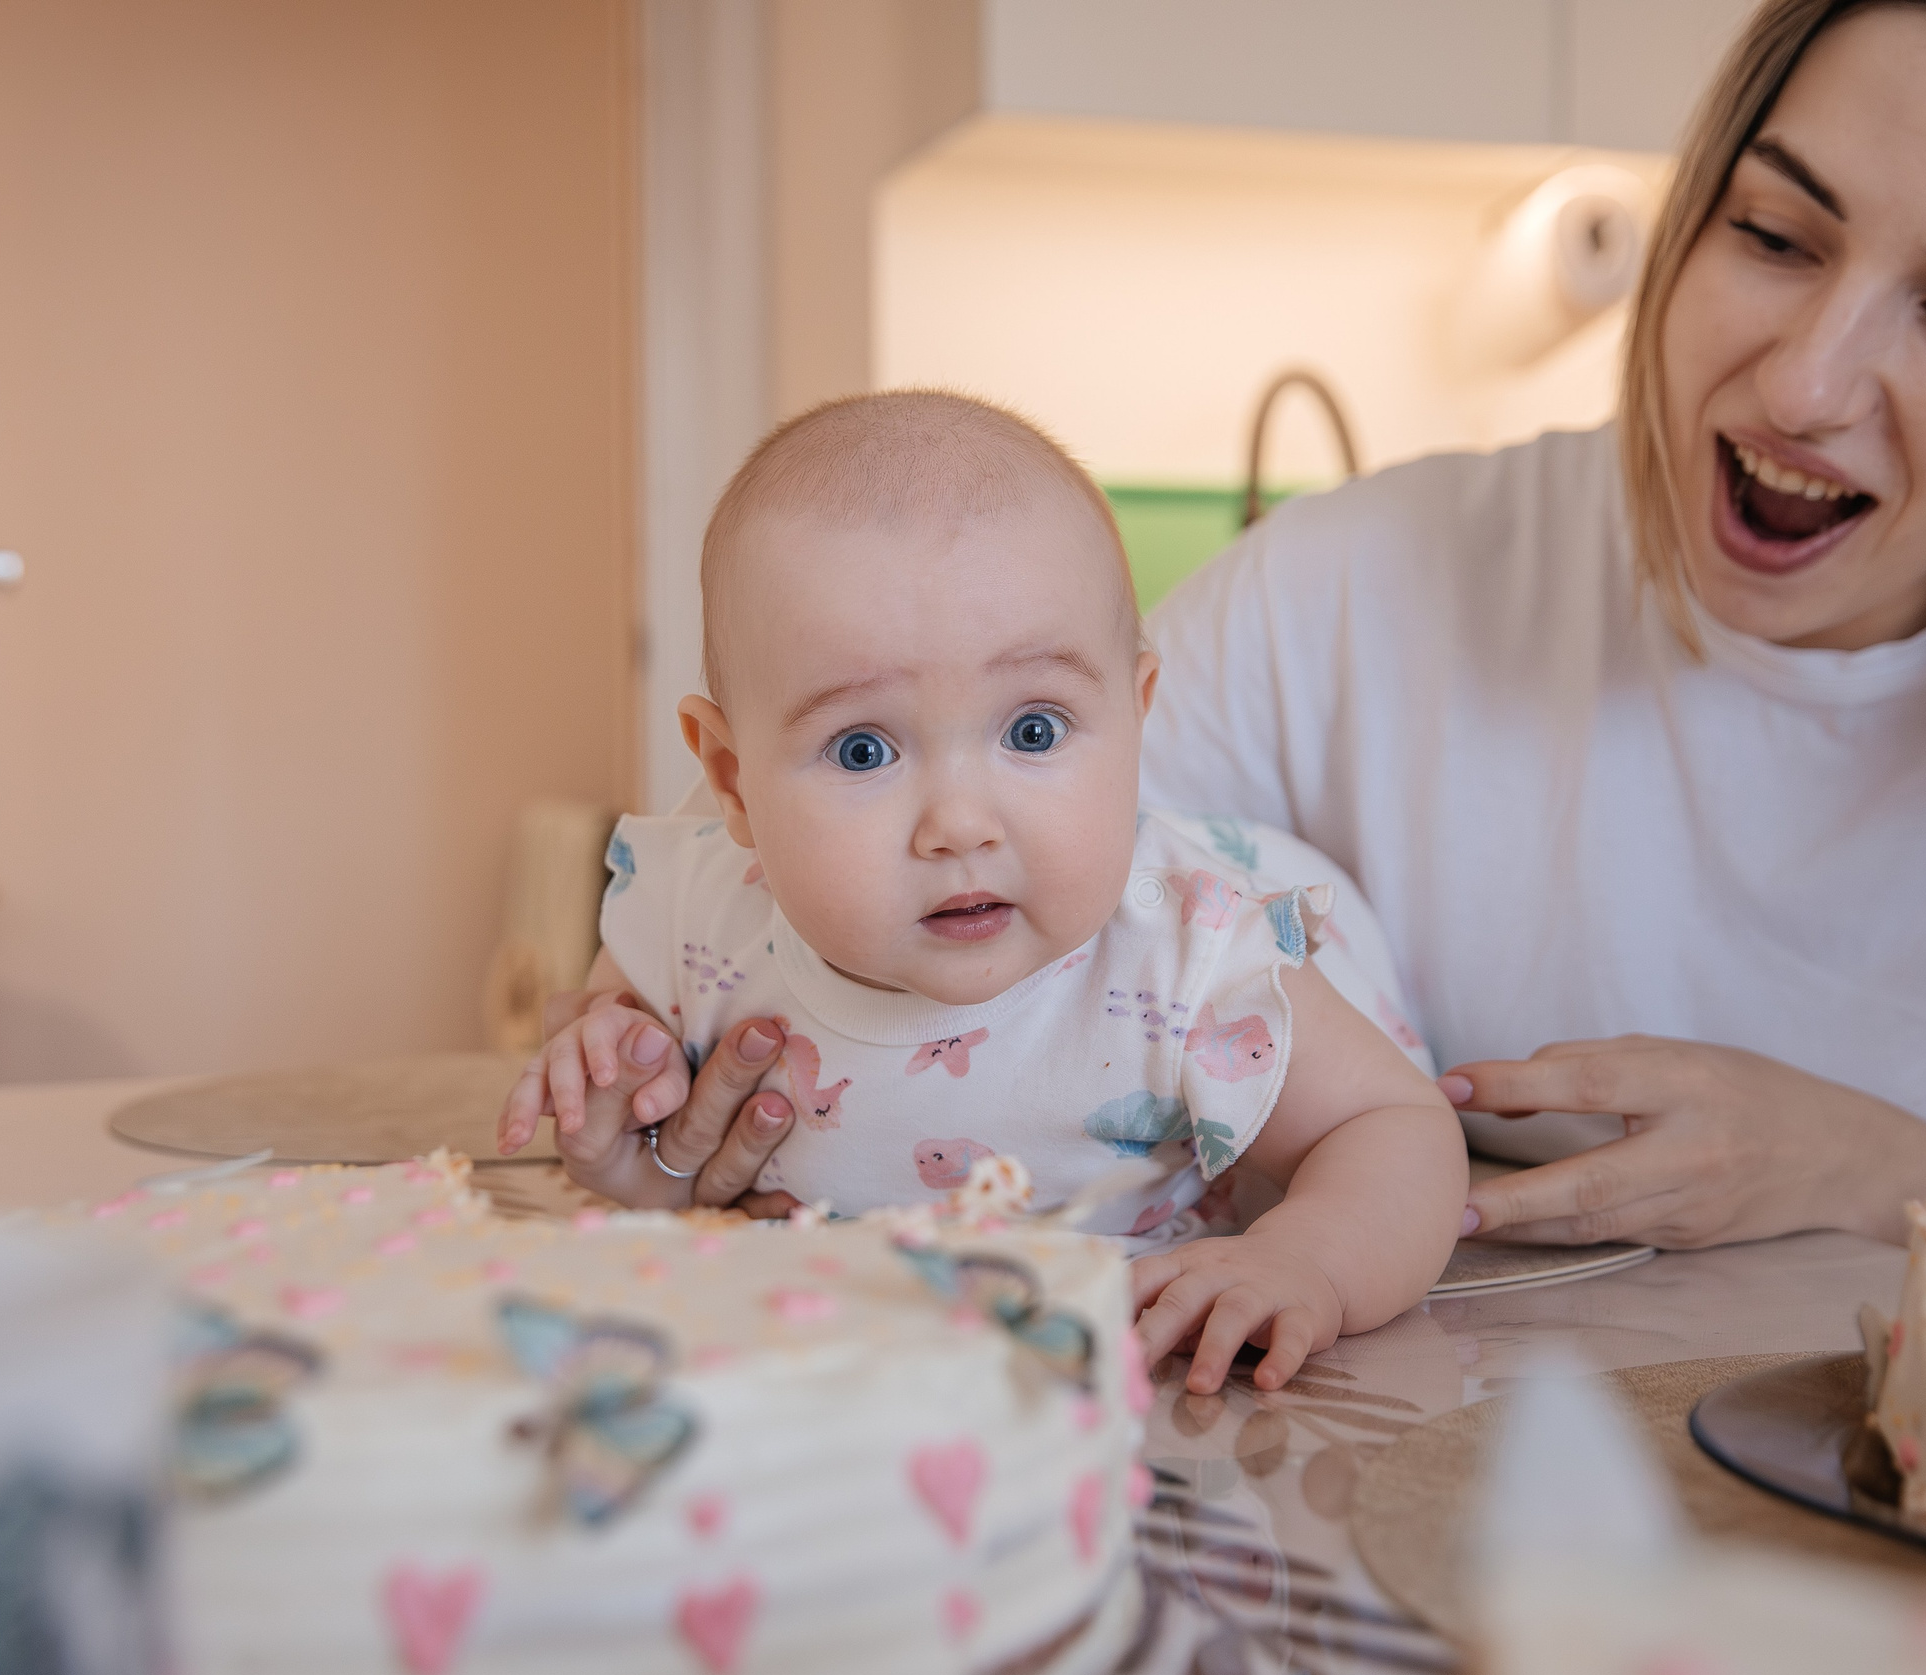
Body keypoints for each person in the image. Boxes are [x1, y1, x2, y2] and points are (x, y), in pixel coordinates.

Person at [599, 0, 1926, 1253]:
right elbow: (822, 851)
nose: (1809, 384)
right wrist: (678, 1109)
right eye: (1769, 231)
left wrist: (1891, 1175)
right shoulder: (1361, 592)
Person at [496, 393, 1467, 1391]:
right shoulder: (691, 918)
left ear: (1135, 721)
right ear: (732, 780)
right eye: (863, 749)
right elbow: (632, 1115)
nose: (959, 823)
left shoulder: (1189, 959)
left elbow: (1394, 1130)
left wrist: (1305, 1257)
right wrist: (615, 1113)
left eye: (1033, 731)